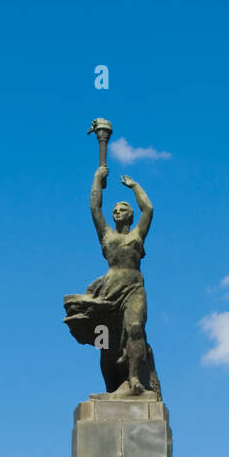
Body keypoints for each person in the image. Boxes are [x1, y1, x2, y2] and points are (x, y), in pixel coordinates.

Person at [63, 168, 161, 397]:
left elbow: (149, 208)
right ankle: (112, 388)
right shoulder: (106, 235)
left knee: (135, 329)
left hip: (134, 287)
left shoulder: (137, 235)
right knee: (106, 343)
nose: (117, 212)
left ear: (130, 215)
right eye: (115, 210)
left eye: (122, 209)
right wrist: (97, 178)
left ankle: (135, 377)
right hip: (108, 292)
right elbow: (95, 208)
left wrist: (135, 186)